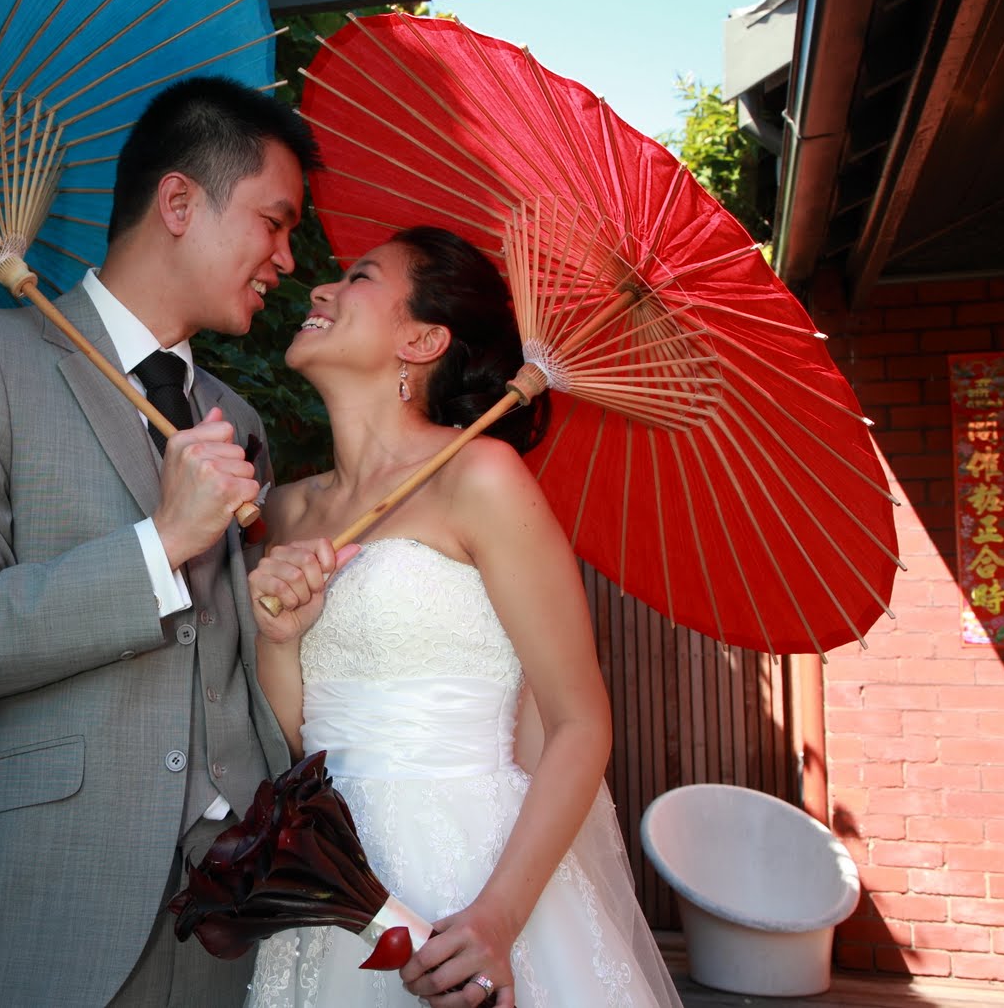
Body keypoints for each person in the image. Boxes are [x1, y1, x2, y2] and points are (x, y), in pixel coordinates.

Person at [0, 76, 320, 1007]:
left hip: (225, 917)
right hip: (49, 908)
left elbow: (227, 668)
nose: (286, 256)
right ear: (178, 202)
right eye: (274, 222)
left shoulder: (236, 421)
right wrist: (159, 545)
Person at [242, 227, 684, 1007]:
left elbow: (580, 721)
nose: (319, 290)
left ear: (423, 339)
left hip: (475, 874)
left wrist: (498, 917)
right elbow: (295, 741)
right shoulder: (286, 507)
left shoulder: (481, 476)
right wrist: (280, 636)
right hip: (335, 879)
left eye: (358, 278)